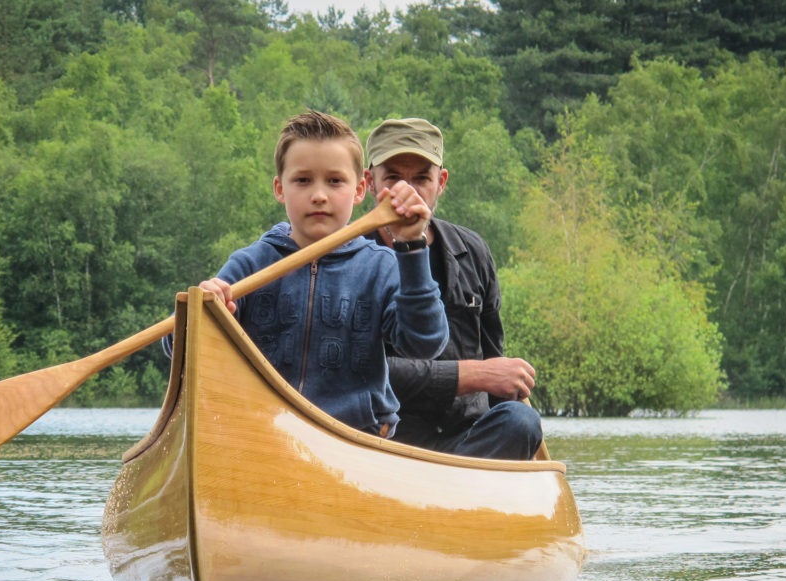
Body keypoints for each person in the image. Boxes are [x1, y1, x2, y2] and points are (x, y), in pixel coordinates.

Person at [193, 110, 448, 438]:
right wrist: (204, 309)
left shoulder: (382, 268)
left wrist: (412, 246)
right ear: (279, 189)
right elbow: (181, 347)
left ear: (359, 191)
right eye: (302, 180)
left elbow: (425, 344)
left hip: (356, 439)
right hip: (261, 435)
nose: (318, 195)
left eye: (334, 181)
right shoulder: (250, 264)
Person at [365, 117, 544, 460]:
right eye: (393, 178)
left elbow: (495, 358)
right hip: (382, 441)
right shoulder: (351, 257)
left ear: (441, 182)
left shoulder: (473, 250)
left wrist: (502, 381)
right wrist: (473, 375)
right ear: (369, 183)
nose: (407, 192)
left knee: (521, 421)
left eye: (421, 179)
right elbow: (360, 371)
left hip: (467, 441)